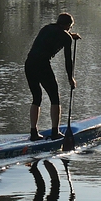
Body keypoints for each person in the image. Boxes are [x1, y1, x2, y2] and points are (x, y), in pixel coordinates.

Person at [24, 12, 80, 141]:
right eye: (70, 27)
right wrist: (70, 78)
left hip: (29, 64)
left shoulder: (46, 28)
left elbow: (54, 34)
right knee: (55, 98)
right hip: (42, 65)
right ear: (67, 25)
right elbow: (68, 60)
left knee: (36, 97)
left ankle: (33, 132)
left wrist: (71, 35)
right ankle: (55, 132)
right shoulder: (66, 38)